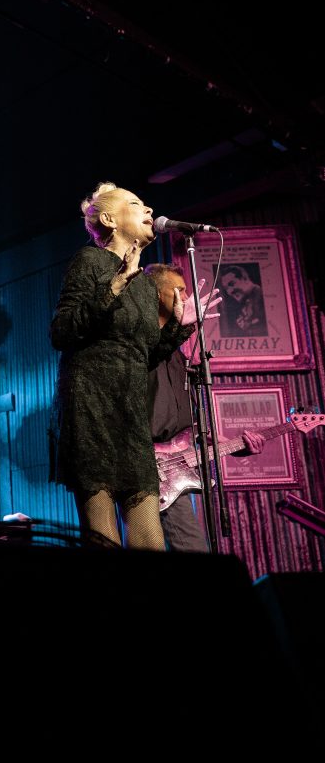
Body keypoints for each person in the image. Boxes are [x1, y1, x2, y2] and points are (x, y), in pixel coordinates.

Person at [49, 182, 219, 550]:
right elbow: (61, 331)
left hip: (131, 416)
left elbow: (145, 356)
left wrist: (180, 327)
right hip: (91, 409)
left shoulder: (144, 286)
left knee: (148, 538)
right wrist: (113, 286)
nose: (149, 209)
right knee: (103, 537)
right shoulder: (90, 261)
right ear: (109, 220)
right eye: (136, 203)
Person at [145, 264, 264, 551]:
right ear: (155, 295)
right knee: (192, 548)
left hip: (173, 469)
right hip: (148, 466)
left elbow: (189, 429)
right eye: (180, 290)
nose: (188, 298)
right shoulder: (141, 346)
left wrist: (235, 445)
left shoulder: (177, 357)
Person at [218, 264, 266, 336]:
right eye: (226, 288)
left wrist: (249, 324)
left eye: (232, 284)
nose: (230, 291)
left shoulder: (261, 297)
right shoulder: (247, 301)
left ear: (245, 278)